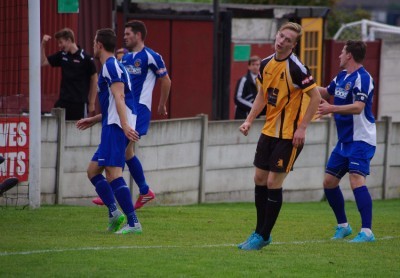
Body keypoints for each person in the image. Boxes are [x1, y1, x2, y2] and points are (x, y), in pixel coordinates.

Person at [237, 22, 321, 251]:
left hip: (289, 136)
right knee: (259, 180)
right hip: (268, 131)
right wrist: (249, 120)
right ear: (277, 36)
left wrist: (302, 128)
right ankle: (258, 232)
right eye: (281, 36)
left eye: (287, 40)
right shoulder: (265, 64)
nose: (282, 41)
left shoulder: (297, 68)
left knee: (274, 182)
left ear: (293, 45)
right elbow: (262, 95)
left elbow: (314, 97)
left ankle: (264, 235)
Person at [91, 20, 171, 209]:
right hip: (126, 109)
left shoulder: (151, 56)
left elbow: (166, 80)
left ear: (138, 35)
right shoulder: (124, 59)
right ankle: (144, 191)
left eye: (128, 34)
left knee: (120, 150)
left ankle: (112, 188)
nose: (124, 37)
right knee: (127, 152)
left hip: (140, 109)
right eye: (124, 34)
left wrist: (161, 104)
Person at [77, 28, 141, 235]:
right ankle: (114, 213)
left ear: (99, 45)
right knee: (93, 171)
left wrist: (123, 125)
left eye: (94, 42)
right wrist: (95, 119)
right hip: (113, 123)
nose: (93, 45)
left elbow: (120, 97)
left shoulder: (111, 66)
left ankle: (133, 223)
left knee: (113, 174)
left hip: (116, 126)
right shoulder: (112, 66)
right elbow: (115, 102)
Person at [317, 40, 376, 243]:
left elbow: (359, 107)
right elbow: (325, 92)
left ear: (349, 55)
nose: (339, 55)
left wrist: (331, 109)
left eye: (342, 52)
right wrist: (302, 84)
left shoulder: (364, 78)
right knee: (329, 182)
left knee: (356, 180)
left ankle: (367, 232)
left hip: (361, 140)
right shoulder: (342, 76)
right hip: (344, 141)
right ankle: (343, 226)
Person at [41, 28, 98, 120]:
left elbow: (95, 79)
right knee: (56, 129)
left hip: (79, 104)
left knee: (78, 131)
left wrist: (91, 103)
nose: (59, 46)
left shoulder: (86, 59)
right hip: (63, 102)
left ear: (69, 40)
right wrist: (43, 44)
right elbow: (43, 62)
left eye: (61, 42)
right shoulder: (62, 55)